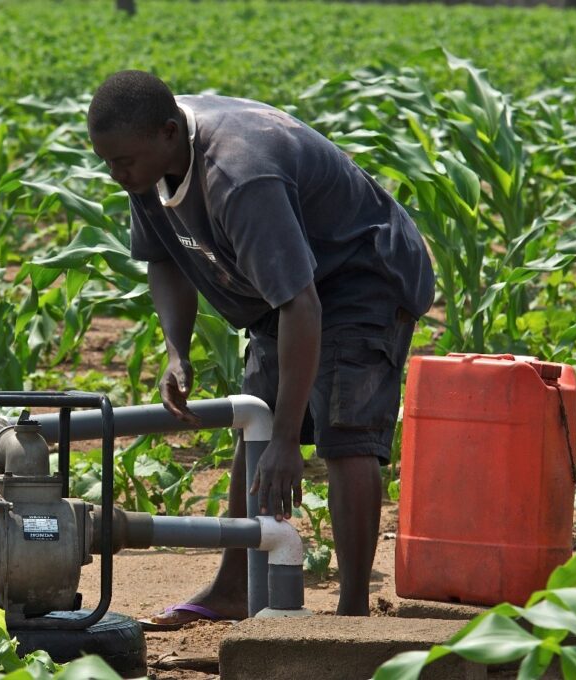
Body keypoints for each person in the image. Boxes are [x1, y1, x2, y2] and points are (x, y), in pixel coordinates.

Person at [86, 70, 435, 627]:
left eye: (122, 161)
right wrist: (177, 350)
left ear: (169, 133)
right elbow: (165, 256)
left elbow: (304, 306)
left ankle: (351, 616)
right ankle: (233, 588)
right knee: (258, 423)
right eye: (107, 161)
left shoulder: (239, 174)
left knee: (346, 437)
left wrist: (290, 443)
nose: (115, 172)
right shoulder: (146, 164)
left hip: (361, 275)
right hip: (286, 284)